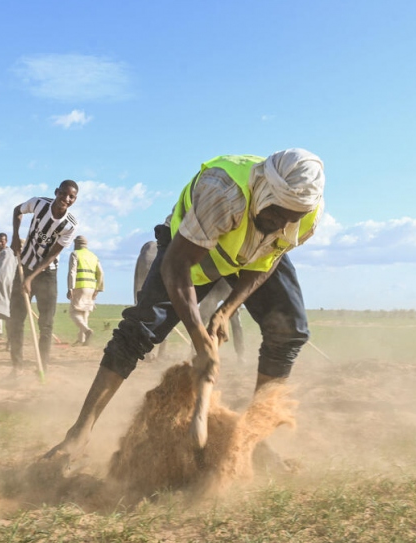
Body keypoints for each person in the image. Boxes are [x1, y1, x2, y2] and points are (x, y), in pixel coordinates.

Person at [45, 149, 324, 460]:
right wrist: (199, 339)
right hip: (187, 253)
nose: (280, 223)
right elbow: (176, 266)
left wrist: (226, 310)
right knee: (138, 331)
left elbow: (269, 259)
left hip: (246, 259)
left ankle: (252, 441)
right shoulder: (223, 193)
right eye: (276, 212)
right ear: (263, 188)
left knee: (289, 332)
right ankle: (79, 432)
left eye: (291, 218)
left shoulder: (307, 214)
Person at [8, 180, 79, 376]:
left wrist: (31, 279)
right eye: (63, 193)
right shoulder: (38, 203)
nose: (66, 199)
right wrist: (15, 236)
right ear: (56, 192)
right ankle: (16, 367)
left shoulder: (70, 225)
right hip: (24, 266)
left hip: (47, 274)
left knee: (46, 324)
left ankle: (42, 367)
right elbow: (17, 211)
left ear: (74, 200)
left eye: (71, 197)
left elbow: (52, 255)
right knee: (16, 319)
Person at [135, 241, 245, 362]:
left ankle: (237, 354)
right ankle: (197, 352)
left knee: (211, 318)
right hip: (215, 283)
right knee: (205, 318)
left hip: (223, 283)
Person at [66, 236, 104, 346]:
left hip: (79, 285)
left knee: (73, 312)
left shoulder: (75, 254)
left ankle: (87, 331)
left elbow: (72, 272)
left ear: (76, 244)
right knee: (84, 313)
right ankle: (82, 340)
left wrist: (70, 288)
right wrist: (98, 288)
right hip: (91, 287)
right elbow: (101, 273)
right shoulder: (93, 256)